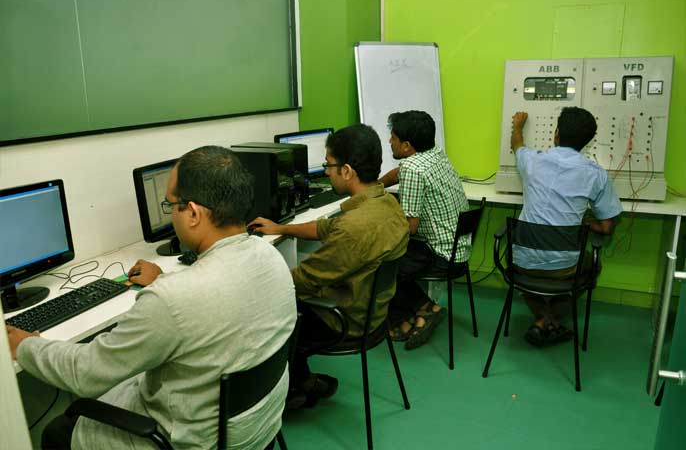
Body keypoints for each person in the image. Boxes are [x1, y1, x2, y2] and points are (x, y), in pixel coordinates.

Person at [7, 146, 297, 450]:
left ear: (193, 213)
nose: (170, 213)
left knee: (57, 431)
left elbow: (85, 374)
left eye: (170, 204)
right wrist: (164, 281)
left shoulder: (170, 300)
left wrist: (25, 346)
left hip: (194, 441)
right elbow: (215, 294)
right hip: (257, 428)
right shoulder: (269, 255)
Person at [250, 124, 409, 407]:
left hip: (346, 320)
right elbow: (327, 228)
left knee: (267, 310)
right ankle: (301, 380)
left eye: (328, 165)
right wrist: (282, 229)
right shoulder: (386, 203)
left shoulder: (353, 229)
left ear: (346, 171)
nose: (325, 172)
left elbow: (303, 280)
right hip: (376, 312)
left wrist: (250, 285)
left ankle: (291, 390)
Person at [510, 108, 622, 347]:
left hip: (520, 262)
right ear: (588, 141)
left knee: (526, 268)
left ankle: (542, 319)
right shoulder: (596, 174)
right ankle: (550, 319)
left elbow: (517, 144)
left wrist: (518, 126)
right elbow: (606, 227)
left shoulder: (531, 160)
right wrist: (587, 222)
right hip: (564, 268)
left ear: (556, 133)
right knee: (593, 265)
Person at [379, 110, 470, 350]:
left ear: (406, 146)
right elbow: (398, 173)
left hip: (439, 256)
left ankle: (405, 320)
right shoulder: (435, 153)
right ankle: (427, 308)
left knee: (380, 261)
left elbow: (409, 228)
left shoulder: (413, 168)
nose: (389, 141)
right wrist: (377, 186)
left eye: (393, 138)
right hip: (458, 249)